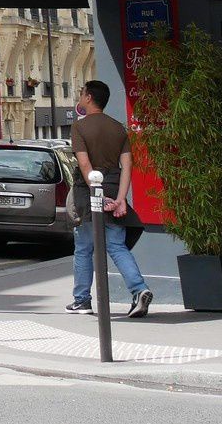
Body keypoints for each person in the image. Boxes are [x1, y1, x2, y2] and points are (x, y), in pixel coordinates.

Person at [68, 80, 153, 318]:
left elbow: (85, 164)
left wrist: (97, 193)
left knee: (84, 247)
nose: (80, 96)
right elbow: (127, 166)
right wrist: (121, 199)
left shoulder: (79, 128)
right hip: (116, 188)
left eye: (82, 93)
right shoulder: (118, 128)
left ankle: (82, 300)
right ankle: (139, 289)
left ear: (89, 98)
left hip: (89, 192)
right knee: (116, 245)